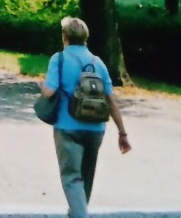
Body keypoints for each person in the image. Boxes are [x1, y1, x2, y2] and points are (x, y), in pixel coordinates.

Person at [40, 16, 132, 218]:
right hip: (96, 128)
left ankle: (80, 214)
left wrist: (41, 86)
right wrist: (122, 133)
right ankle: (78, 212)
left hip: (67, 126)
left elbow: (49, 92)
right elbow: (111, 100)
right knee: (86, 176)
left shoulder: (59, 59)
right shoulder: (97, 62)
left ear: (64, 37)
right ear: (86, 38)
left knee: (72, 177)